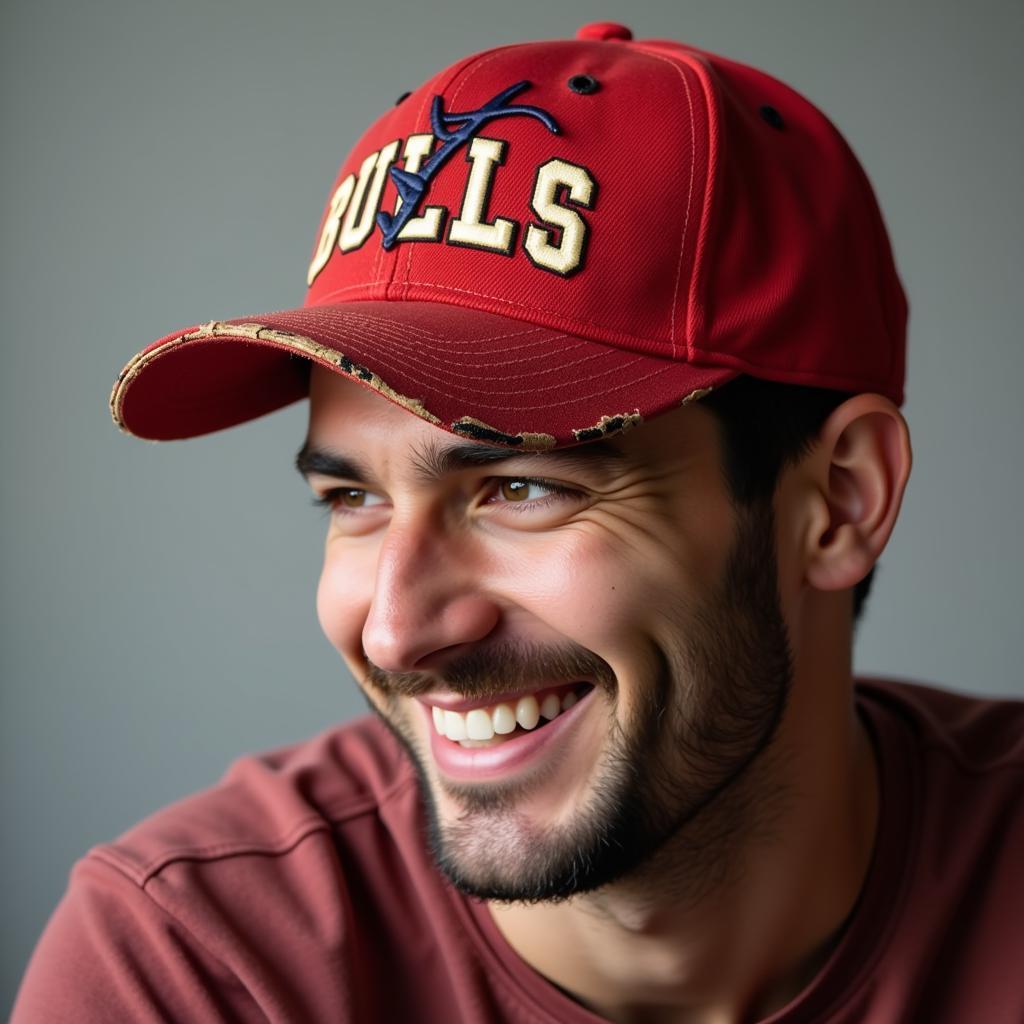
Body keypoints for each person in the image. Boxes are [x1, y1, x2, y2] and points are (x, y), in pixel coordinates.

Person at [13, 21, 1023, 1024]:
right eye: (352, 499)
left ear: (840, 498)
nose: (396, 629)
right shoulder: (193, 971)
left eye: (520, 487)